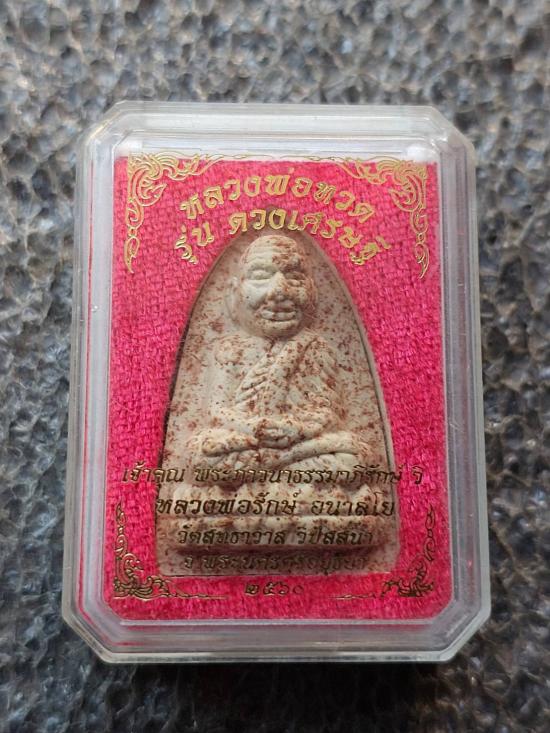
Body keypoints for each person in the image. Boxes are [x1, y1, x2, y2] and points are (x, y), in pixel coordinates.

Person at [182, 233, 373, 484]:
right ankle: (285, 464)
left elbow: (327, 413)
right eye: (261, 277)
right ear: (233, 292)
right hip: (250, 437)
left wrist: (296, 430)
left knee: (355, 456)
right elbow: (217, 412)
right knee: (198, 455)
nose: (280, 291)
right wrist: (256, 428)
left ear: (312, 291)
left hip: (298, 438)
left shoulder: (315, 347)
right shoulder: (230, 348)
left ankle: (269, 468)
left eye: (294, 278)